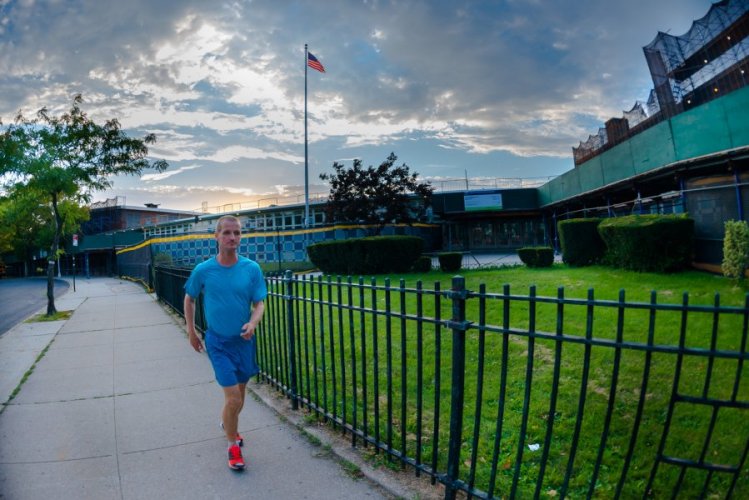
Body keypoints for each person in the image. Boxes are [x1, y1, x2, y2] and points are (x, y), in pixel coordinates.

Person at [183, 215, 267, 471]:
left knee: (239, 399)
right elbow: (190, 298)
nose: (233, 238)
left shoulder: (251, 268)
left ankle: (227, 423)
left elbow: (259, 303)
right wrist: (191, 330)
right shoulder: (204, 270)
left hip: (243, 342)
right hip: (218, 343)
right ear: (217, 237)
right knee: (232, 399)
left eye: (237, 233)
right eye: (227, 233)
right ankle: (232, 444)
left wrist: (252, 323)